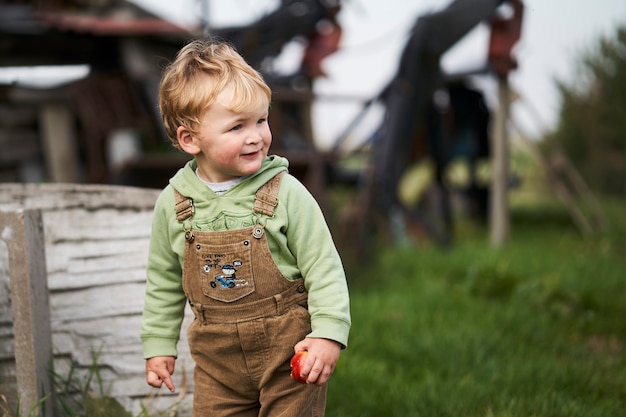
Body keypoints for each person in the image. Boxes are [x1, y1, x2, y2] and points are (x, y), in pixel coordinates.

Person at [140, 39, 351, 417]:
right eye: (237, 126)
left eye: (261, 120)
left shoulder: (286, 193)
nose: (256, 136)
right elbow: (162, 282)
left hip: (289, 353)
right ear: (190, 139)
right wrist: (158, 346)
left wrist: (327, 333)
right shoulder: (174, 204)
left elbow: (323, 266)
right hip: (217, 367)